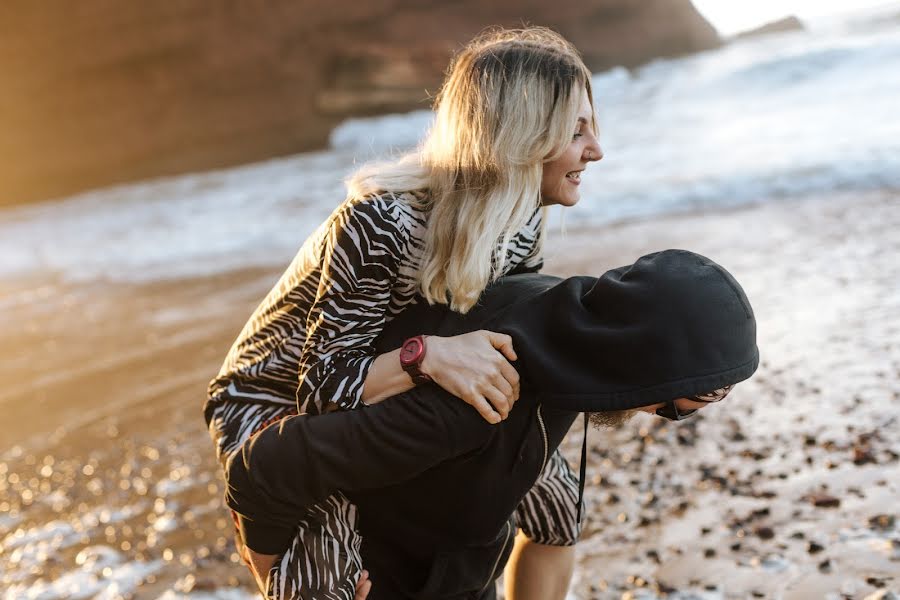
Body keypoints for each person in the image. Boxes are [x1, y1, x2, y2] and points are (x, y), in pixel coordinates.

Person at [204, 26, 603, 600]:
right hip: (272, 398)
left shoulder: (519, 224)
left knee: (559, 506)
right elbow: (322, 388)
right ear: (520, 135)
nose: (596, 150)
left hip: (382, 367)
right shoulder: (381, 223)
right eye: (577, 130)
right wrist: (431, 356)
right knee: (333, 581)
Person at [226, 249, 760, 599]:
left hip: (457, 512)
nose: (677, 415)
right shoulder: (472, 404)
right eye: (703, 394)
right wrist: (269, 569)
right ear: (648, 363)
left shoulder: (574, 327)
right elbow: (260, 468)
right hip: (379, 555)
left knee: (559, 509)